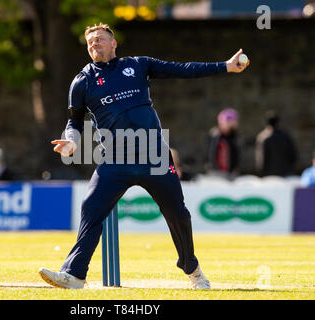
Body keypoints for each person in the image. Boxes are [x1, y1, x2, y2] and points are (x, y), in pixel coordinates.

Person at [39, 23, 249, 290]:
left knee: (178, 214)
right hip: (114, 158)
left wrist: (225, 66)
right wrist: (71, 142)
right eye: (90, 42)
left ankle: (192, 270)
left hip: (154, 155)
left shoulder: (138, 65)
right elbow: (75, 122)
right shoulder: (83, 81)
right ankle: (75, 275)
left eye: (100, 39)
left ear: (113, 44)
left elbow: (183, 70)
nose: (94, 44)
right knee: (90, 209)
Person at [255, 111, 297, 177]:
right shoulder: (285, 136)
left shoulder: (262, 137)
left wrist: (261, 173)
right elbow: (293, 155)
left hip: (269, 175)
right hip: (286, 173)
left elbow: (261, 159)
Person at [207, 108, 240, 178]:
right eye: (233, 122)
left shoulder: (232, 137)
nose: (236, 124)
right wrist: (216, 170)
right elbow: (212, 155)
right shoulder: (217, 137)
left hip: (230, 173)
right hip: (219, 174)